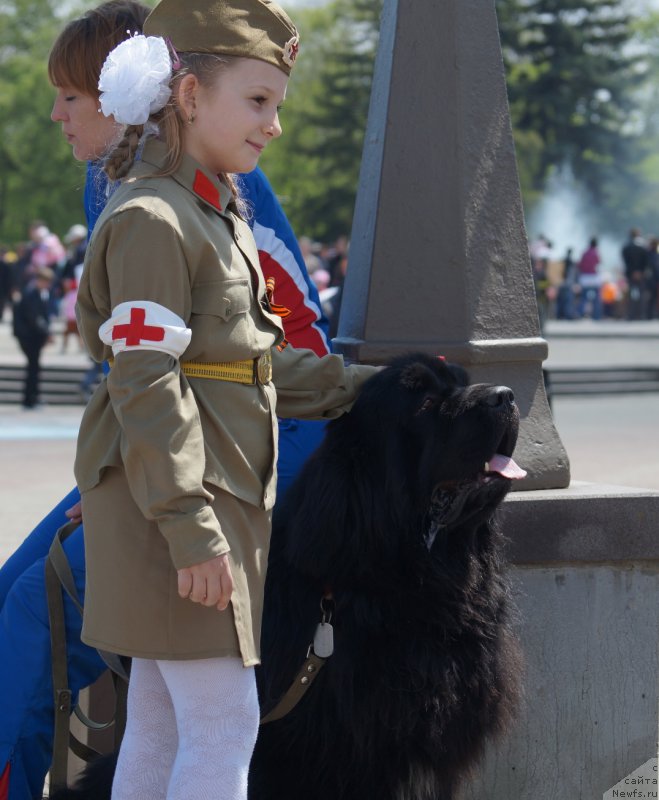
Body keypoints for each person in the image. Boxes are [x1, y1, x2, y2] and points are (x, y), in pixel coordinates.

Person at [0, 3, 334, 798]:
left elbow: (288, 353)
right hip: (162, 453)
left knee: (44, 613)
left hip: (244, 459)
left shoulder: (201, 182)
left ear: (133, 91)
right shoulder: (121, 179)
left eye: (70, 97)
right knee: (22, 590)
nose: (56, 114)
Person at [73, 1, 376, 796]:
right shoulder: (154, 217)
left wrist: (378, 387)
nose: (272, 125)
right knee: (222, 722)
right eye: (257, 101)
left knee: (165, 724)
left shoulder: (208, 214)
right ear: (188, 95)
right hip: (179, 505)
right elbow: (144, 383)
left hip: (199, 499)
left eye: (274, 104)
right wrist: (189, 526)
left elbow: (254, 368)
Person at [11, 265, 55, 409]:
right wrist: (47, 333)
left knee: (34, 367)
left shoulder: (38, 293)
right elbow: (34, 318)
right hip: (29, 337)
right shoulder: (31, 294)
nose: (47, 285)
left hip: (34, 336)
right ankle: (30, 399)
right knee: (33, 367)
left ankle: (32, 397)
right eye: (46, 281)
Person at [621, 228, 648, 321]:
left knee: (630, 294)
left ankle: (631, 314)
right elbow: (646, 261)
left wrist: (633, 271)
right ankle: (641, 314)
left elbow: (625, 260)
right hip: (641, 274)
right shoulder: (643, 246)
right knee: (641, 294)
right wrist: (640, 271)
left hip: (630, 273)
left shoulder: (627, 246)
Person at [576, 237, 602, 320]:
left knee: (584, 297)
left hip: (585, 277)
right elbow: (599, 263)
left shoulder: (584, 253)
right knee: (596, 298)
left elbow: (580, 265)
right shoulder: (596, 253)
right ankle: (596, 315)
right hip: (594, 277)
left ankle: (580, 314)